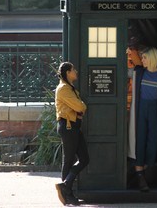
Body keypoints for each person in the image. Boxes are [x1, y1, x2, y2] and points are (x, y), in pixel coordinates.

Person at [127, 47, 157, 192]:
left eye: (145, 58)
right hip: (140, 110)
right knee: (139, 140)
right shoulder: (138, 72)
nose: (142, 60)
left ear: (151, 58)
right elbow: (119, 70)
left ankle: (144, 172)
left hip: (155, 111)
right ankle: (140, 176)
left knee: (153, 142)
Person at [54, 62, 89, 206]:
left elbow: (79, 108)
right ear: (68, 72)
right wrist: (81, 108)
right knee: (68, 160)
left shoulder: (69, 88)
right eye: (73, 69)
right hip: (68, 126)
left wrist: (80, 109)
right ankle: (68, 195)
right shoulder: (63, 89)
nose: (76, 71)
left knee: (84, 158)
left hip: (73, 127)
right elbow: (80, 106)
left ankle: (66, 185)